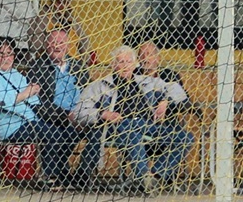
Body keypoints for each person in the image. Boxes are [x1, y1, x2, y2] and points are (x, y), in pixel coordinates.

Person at [72, 45, 193, 194]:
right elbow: (79, 112)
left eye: (129, 62)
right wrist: (103, 114)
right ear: (113, 65)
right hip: (116, 127)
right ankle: (142, 178)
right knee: (131, 131)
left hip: (147, 125)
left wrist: (166, 101)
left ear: (135, 64)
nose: (125, 66)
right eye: (121, 62)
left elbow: (177, 90)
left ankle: (154, 176)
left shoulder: (147, 82)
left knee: (185, 138)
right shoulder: (100, 86)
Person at [0, 37, 82, 189]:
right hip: (11, 125)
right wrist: (26, 93)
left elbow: (34, 101)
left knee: (70, 132)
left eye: (9, 54)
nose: (6, 58)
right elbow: (3, 102)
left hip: (33, 119)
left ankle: (60, 173)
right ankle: (49, 177)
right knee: (52, 134)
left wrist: (31, 94)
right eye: (1, 54)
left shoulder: (16, 74)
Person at [24, 29, 98, 189]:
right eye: (53, 42)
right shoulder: (37, 67)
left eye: (61, 42)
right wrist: (65, 115)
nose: (56, 46)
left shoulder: (79, 66)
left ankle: (81, 175)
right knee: (58, 132)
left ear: (68, 45)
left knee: (98, 132)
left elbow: (90, 93)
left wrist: (83, 114)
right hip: (52, 117)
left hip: (79, 116)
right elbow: (37, 103)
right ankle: (55, 175)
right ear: (46, 45)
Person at [27, 0, 91, 61]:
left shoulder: (72, 20)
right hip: (48, 60)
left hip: (72, 61)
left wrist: (86, 61)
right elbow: (34, 45)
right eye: (58, 2)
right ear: (52, 1)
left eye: (65, 2)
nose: (62, 6)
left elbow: (84, 41)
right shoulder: (43, 18)